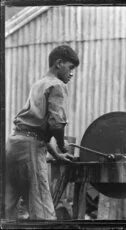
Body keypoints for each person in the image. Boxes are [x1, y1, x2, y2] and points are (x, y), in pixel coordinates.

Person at [5, 45, 80, 220]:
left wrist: (56, 155)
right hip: (30, 150)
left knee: (7, 209)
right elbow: (55, 125)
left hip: (13, 145)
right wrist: (62, 146)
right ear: (59, 63)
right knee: (44, 215)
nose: (71, 73)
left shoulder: (39, 84)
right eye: (70, 68)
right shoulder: (57, 85)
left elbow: (35, 128)